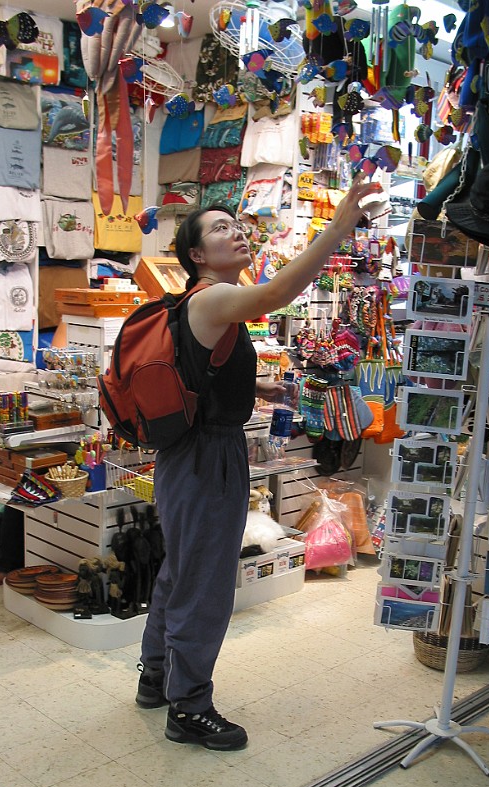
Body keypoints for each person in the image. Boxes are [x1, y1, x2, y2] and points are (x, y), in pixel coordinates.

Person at [135, 174, 382, 751]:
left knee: (181, 570)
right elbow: (276, 294)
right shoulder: (213, 295)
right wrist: (339, 225)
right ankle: (188, 707)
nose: (236, 232)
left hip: (190, 453)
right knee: (207, 582)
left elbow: (203, 373)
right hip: (206, 458)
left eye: (236, 224)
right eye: (221, 229)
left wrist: (262, 394)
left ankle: (156, 677)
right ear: (196, 254)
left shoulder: (198, 304)